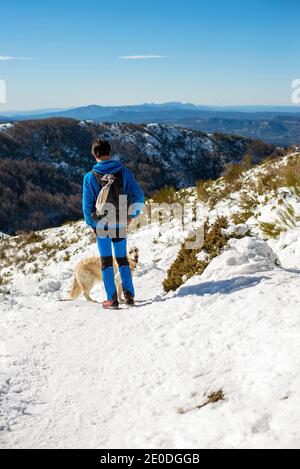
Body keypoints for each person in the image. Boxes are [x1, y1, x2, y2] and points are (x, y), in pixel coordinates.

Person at [82, 139, 144, 310]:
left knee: (106, 262)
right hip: (120, 223)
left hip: (101, 225)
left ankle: (112, 299)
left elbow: (87, 208)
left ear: (95, 154)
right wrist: (132, 215)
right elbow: (139, 196)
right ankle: (129, 296)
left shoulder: (89, 177)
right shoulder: (124, 172)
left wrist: (92, 224)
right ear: (110, 153)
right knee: (122, 259)